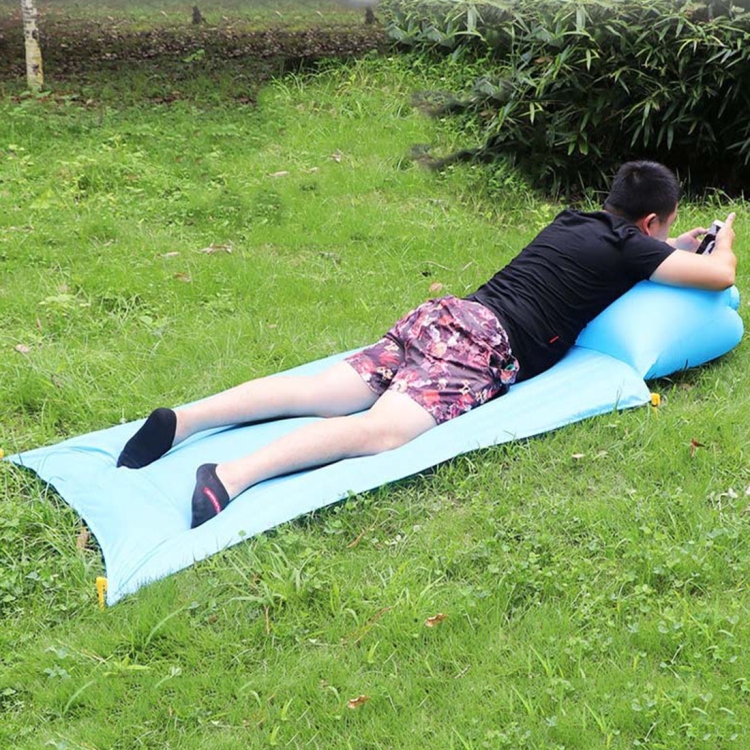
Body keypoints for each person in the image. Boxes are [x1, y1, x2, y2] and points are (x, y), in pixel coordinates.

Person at [117, 161, 738, 528]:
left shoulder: (574, 221)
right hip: (482, 346)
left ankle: (185, 419)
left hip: (444, 316)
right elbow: (721, 275)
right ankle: (229, 475)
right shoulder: (633, 249)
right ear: (650, 223)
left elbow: (625, 253)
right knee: (382, 432)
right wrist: (723, 239)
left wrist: (672, 246)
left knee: (321, 392)